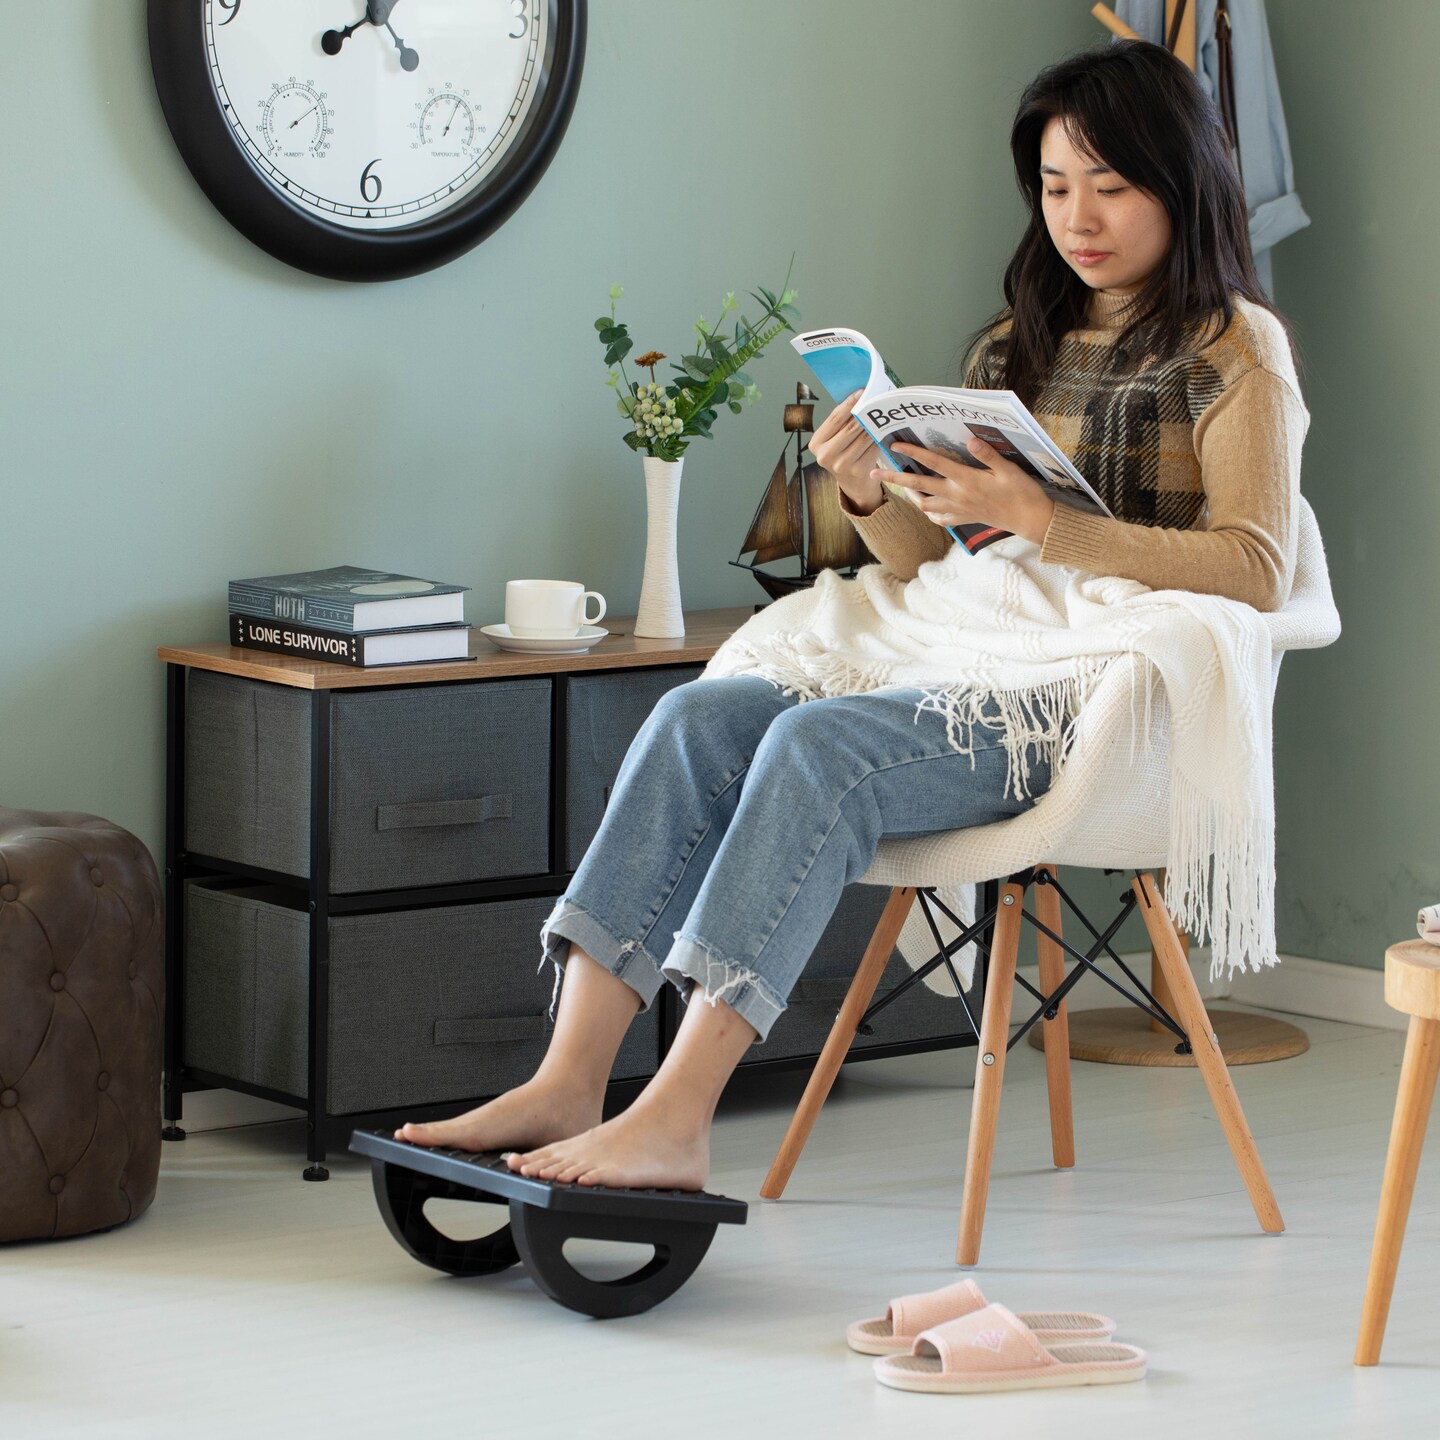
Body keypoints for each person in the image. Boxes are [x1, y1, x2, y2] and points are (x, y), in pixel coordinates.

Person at [395, 40, 1303, 1190]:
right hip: (960, 644)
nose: (1079, 217)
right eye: (1056, 185)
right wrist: (870, 486)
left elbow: (1256, 568)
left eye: (1112, 186)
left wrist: (1042, 514)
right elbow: (938, 560)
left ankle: (676, 1114)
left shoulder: (1234, 347)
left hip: (1086, 704)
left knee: (816, 746)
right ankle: (570, 1076)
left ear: (1184, 183)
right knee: (695, 718)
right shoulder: (1011, 340)